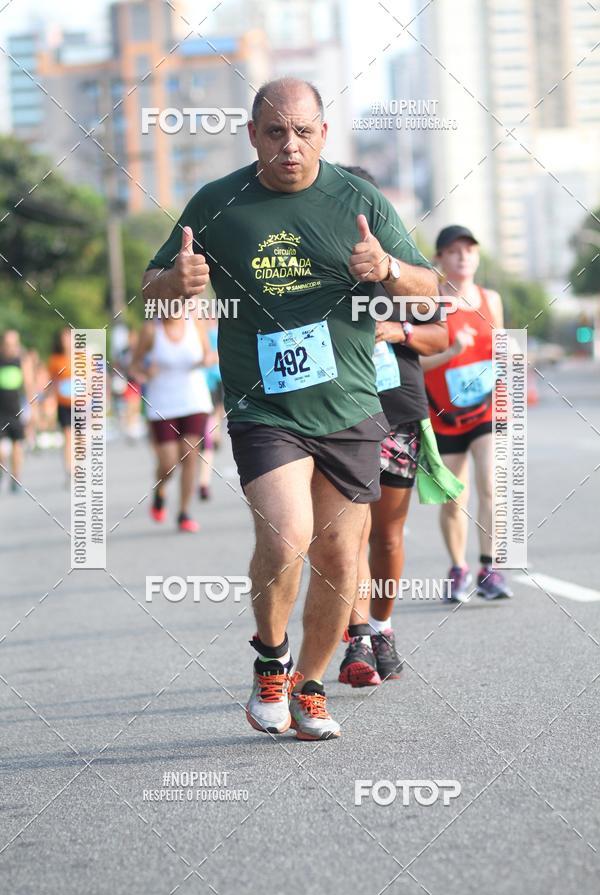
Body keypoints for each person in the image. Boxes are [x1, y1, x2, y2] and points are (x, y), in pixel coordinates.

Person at [143, 77, 438, 740]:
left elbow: (430, 294)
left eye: (302, 132)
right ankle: (269, 662)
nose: (289, 146)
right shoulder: (218, 203)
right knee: (284, 535)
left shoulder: (358, 198)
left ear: (323, 135)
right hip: (264, 405)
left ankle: (308, 684)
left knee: (338, 556)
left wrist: (387, 267)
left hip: (351, 405)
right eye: (275, 132)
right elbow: (151, 297)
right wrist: (176, 282)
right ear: (253, 135)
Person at [335, 168, 449, 688]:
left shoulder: (400, 269)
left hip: (397, 408)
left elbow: (441, 333)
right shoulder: (316, 265)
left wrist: (396, 329)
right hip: (336, 412)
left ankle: (381, 628)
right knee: (346, 532)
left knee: (387, 533)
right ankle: (355, 636)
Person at [421, 225, 513, 601]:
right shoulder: (430, 303)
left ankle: (490, 569)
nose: (463, 256)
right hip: (444, 416)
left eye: (470, 250)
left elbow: (504, 351)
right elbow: (420, 364)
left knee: (491, 484)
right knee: (453, 499)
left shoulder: (491, 299)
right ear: (440, 259)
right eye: (455, 251)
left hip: (487, 410)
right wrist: (452, 352)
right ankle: (457, 569)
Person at [130, 306, 214, 533]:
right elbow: (134, 366)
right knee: (168, 462)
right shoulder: (150, 330)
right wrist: (146, 373)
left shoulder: (195, 323)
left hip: (194, 399)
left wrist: (207, 359)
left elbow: (209, 353)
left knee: (190, 453)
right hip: (162, 403)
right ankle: (160, 489)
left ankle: (184, 512)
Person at [0, 329, 32, 492]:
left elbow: (28, 385)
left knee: (17, 446)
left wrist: (32, 410)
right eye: (8, 344)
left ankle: (16, 477)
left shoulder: (21, 361)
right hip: (0, 412)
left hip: (16, 411)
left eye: (15, 344)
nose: (12, 348)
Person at [198, 314, 222, 501]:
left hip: (212, 383)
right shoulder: (195, 332)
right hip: (192, 391)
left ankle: (204, 482)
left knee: (213, 420)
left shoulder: (214, 333)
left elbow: (218, 355)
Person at [48, 328, 73, 484]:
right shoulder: (55, 360)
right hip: (63, 403)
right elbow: (52, 383)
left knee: (80, 438)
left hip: (81, 404)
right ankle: (69, 470)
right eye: (64, 338)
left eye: (69, 338)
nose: (66, 341)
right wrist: (50, 402)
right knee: (68, 437)